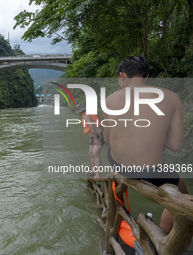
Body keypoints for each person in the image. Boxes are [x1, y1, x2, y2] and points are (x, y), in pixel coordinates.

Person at [103, 55, 188, 234]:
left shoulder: (109, 100)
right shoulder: (172, 98)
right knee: (181, 192)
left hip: (119, 165)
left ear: (122, 76)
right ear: (147, 76)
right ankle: (163, 238)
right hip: (150, 170)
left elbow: (108, 139)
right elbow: (175, 145)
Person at [76, 103, 104, 179]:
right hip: (93, 138)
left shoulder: (87, 116)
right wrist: (92, 139)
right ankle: (94, 170)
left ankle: (98, 174)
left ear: (80, 112)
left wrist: (95, 139)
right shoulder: (87, 115)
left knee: (95, 153)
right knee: (91, 153)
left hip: (98, 136)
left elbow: (92, 127)